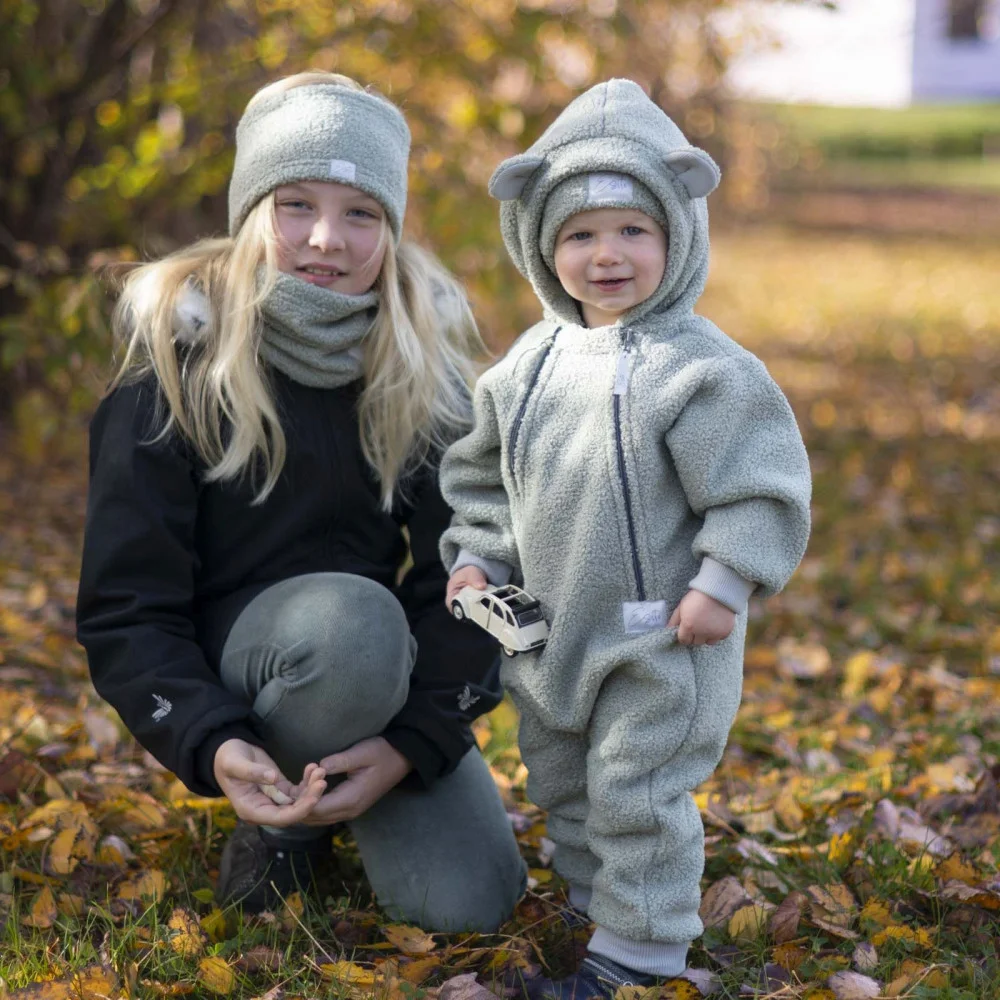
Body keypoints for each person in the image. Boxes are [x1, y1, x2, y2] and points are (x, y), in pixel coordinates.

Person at [76, 71, 526, 930]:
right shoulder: (175, 368)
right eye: (295, 204)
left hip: (378, 679)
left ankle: (350, 791)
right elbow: (126, 609)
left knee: (467, 910)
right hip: (244, 668)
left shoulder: (427, 376)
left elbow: (487, 577)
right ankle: (280, 832)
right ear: (251, 212)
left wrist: (412, 745)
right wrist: (212, 738)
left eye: (362, 213)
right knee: (351, 624)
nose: (327, 239)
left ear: (391, 230)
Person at [440, 79, 812, 997]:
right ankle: (593, 906)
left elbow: (758, 485)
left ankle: (640, 958)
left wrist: (724, 583)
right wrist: (479, 558)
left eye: (632, 231)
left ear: (677, 235)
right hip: (544, 629)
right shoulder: (525, 368)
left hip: (662, 635)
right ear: (541, 245)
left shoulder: (703, 368)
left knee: (635, 790)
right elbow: (484, 481)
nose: (606, 255)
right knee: (563, 778)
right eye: (578, 234)